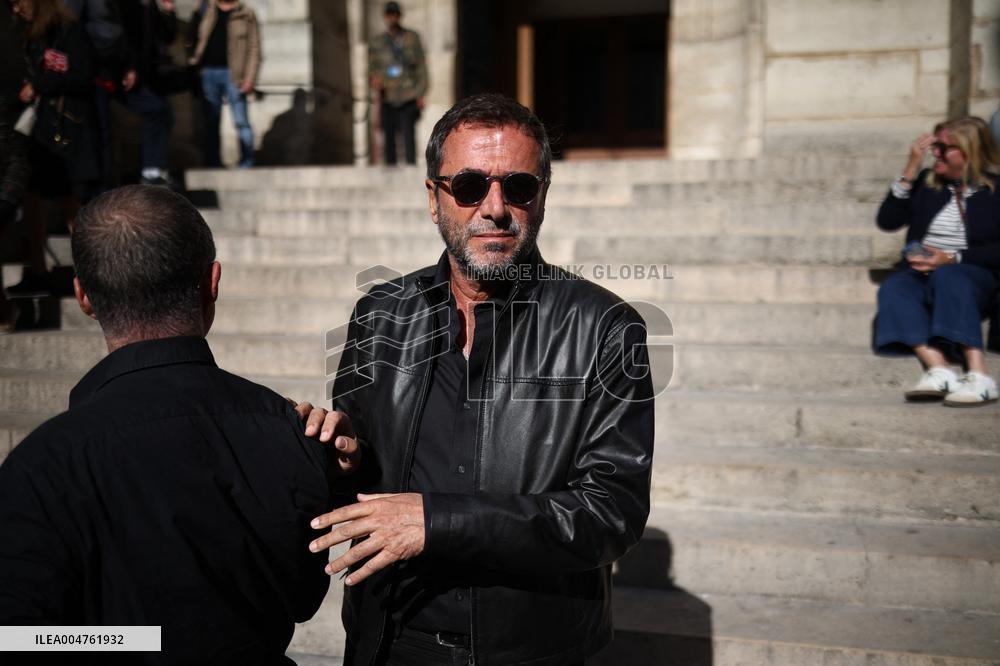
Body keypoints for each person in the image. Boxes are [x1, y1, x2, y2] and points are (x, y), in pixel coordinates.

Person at [303, 93, 655, 665]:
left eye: (517, 186)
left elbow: (611, 513)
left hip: (530, 647)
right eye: (468, 186)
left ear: (542, 195)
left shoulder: (605, 327)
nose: (494, 207)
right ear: (434, 198)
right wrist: (340, 458)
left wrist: (439, 523)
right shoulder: (381, 313)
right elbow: (361, 476)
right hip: (388, 639)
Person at [0, 185, 361, 662]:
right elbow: (299, 599)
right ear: (213, 282)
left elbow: (19, 636)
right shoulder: (287, 428)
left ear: (83, 295)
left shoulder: (42, 463)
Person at [875, 116, 1000, 406]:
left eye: (945, 147)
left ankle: (979, 374)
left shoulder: (995, 192)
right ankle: (938, 368)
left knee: (950, 276)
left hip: (974, 277)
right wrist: (910, 168)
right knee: (895, 287)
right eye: (934, 146)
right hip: (922, 275)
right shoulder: (927, 185)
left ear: (970, 151)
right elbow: (888, 220)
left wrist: (953, 258)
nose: (936, 153)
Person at [7, 0, 100, 297]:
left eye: (19, 2)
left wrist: (39, 84)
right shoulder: (26, 34)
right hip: (37, 131)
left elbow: (84, 77)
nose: (15, 9)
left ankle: (88, 277)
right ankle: (37, 269)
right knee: (31, 197)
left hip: (65, 131)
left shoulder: (69, 32)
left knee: (69, 200)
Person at [189, 0, 260, 168]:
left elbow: (254, 47)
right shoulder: (206, 9)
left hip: (235, 75)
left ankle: (247, 162)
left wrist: (250, 77)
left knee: (241, 120)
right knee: (211, 120)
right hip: (208, 73)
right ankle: (213, 163)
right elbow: (193, 36)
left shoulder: (246, 13)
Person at [119, 0, 179, 186]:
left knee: (163, 112)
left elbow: (167, 37)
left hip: (149, 77)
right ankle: (151, 168)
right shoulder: (126, 6)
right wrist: (127, 68)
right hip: (126, 75)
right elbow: (121, 38)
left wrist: (168, 12)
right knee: (158, 109)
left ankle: (155, 168)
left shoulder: (151, 6)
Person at [369, 1, 427, 166]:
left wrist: (420, 92)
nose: (392, 17)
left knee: (409, 135)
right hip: (388, 95)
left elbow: (421, 68)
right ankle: (390, 169)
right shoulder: (377, 42)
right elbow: (371, 68)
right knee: (389, 136)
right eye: (389, 14)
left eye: (395, 13)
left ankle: (410, 167)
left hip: (408, 94)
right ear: (385, 16)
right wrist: (374, 80)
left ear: (399, 15)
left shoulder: (411, 38)